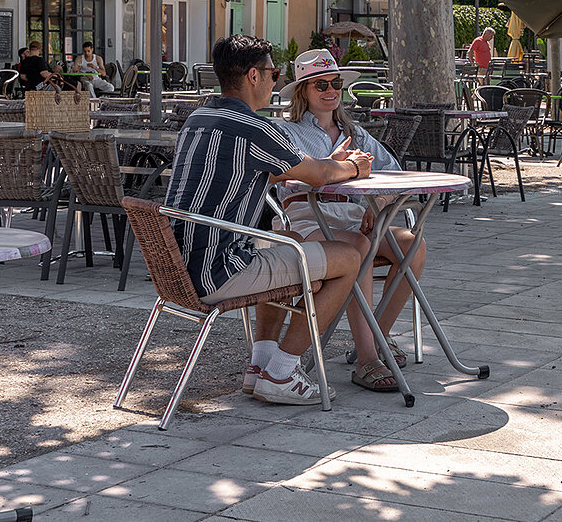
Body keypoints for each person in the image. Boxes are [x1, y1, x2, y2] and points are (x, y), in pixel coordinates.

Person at [165, 35, 373, 405]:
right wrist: (353, 166)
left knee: (285, 242)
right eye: (273, 74)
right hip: (218, 272)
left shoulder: (199, 118)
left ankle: (260, 364)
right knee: (349, 258)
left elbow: (268, 170)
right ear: (253, 76)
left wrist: (327, 165)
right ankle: (281, 372)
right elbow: (319, 176)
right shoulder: (254, 128)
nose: (275, 81)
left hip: (175, 268)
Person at [274, 49, 427, 392]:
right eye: (320, 84)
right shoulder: (287, 133)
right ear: (303, 92)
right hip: (308, 218)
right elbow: (288, 179)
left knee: (413, 245)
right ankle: (366, 359)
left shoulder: (355, 133)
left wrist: (379, 202)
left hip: (354, 216)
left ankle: (377, 337)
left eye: (336, 83)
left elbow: (395, 173)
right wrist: (335, 164)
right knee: (360, 246)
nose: (330, 90)